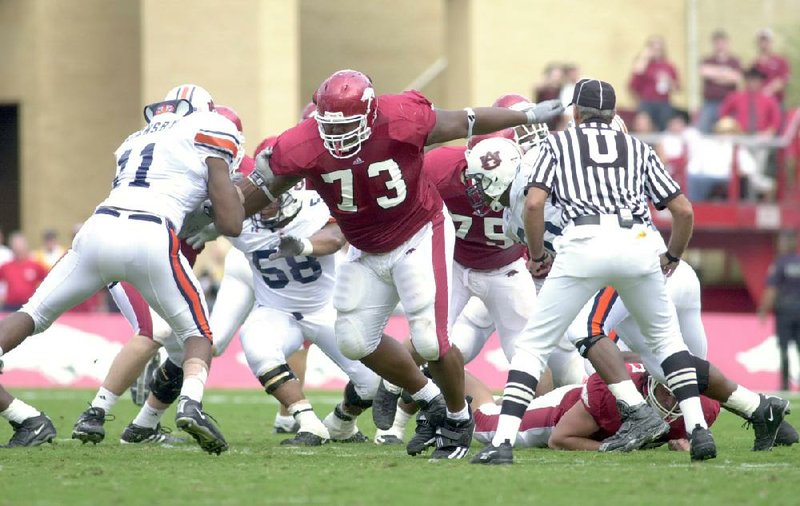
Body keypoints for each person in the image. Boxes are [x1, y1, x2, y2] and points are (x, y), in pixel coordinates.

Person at [222, 69, 564, 460]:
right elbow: (261, 189)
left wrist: (526, 116)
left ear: (369, 114)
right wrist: (217, 218)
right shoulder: (302, 142)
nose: (337, 135)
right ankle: (429, 397)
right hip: (366, 247)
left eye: (347, 124)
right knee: (353, 340)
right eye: (329, 125)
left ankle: (456, 419)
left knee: (431, 339)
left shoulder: (402, 117)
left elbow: (464, 119)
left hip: (418, 233)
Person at [472, 78, 716, 464]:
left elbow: (534, 204)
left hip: (583, 242)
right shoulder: (637, 147)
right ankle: (699, 431)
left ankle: (501, 443)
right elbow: (684, 210)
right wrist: (671, 256)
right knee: (669, 343)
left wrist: (536, 254)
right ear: (615, 114)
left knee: (535, 345)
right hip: (638, 243)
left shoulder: (557, 143)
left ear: (574, 113)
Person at [0, 84, 244, 453]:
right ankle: (191, 404)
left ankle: (58, 414)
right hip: (149, 231)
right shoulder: (210, 128)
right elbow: (232, 224)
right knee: (197, 333)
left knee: (33, 313)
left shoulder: (134, 139)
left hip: (97, 228)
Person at [471, 364, 720, 452]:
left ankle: (517, 400)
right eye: (666, 391)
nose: (671, 401)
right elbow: (559, 439)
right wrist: (610, 447)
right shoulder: (611, 398)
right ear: (651, 383)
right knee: (486, 422)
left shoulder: (703, 408)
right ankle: (448, 374)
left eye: (680, 393)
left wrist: (684, 442)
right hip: (559, 414)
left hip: (586, 411)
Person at [760, 230, 800, 391]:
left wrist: (763, 309)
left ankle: (785, 384)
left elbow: (772, 289)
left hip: (785, 311)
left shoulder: (780, 264)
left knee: (784, 347)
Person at [629, 36, 680, 131]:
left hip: (663, 102)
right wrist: (645, 57)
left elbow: (677, 87)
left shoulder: (668, 66)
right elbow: (634, 81)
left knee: (664, 127)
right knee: (644, 126)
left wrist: (668, 81)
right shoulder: (643, 64)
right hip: (646, 101)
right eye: (654, 48)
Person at [697, 30, 742, 134]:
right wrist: (726, 73)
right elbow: (704, 71)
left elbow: (735, 78)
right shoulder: (707, 60)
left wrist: (715, 75)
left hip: (729, 102)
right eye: (717, 43)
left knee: (729, 130)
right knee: (704, 130)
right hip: (710, 102)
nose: (720, 46)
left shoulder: (734, 61)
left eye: (722, 42)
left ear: (727, 43)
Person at [719, 67, 781, 136]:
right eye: (750, 80)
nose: (753, 83)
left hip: (761, 136)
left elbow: (776, 119)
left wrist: (769, 133)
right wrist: (729, 129)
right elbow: (723, 113)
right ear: (746, 81)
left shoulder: (769, 99)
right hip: (740, 135)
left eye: (756, 80)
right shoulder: (736, 96)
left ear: (761, 81)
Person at [0, 233, 48, 312]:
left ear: (26, 247)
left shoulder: (35, 265)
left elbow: (48, 280)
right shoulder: (6, 266)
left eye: (20, 246)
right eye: (15, 246)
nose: (18, 249)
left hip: (29, 306)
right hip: (10, 306)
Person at [751, 28, 791, 107]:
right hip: (760, 104)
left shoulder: (780, 61)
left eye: (766, 41)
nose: (764, 44)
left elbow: (783, 80)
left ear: (771, 42)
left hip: (776, 102)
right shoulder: (755, 64)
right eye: (761, 41)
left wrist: (768, 90)